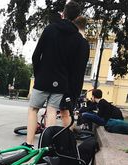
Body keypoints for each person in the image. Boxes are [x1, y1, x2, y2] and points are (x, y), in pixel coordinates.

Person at [24, 0, 88, 147]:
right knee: (52, 110)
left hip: (44, 77)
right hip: (61, 81)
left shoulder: (50, 29)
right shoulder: (78, 39)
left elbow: (36, 55)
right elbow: (74, 66)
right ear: (76, 16)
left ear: (63, 13)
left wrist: (38, 73)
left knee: (33, 109)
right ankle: (46, 145)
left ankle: (28, 143)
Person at [60, 15, 90, 127]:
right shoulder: (86, 44)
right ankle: (70, 132)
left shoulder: (75, 41)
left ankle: (67, 137)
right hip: (78, 82)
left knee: (64, 112)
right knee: (70, 110)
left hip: (68, 81)